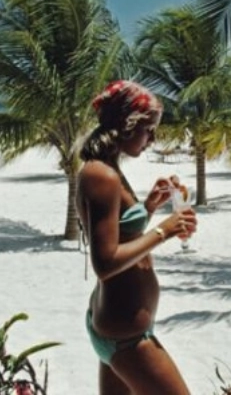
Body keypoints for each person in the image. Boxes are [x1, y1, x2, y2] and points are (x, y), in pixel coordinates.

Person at [76, 80, 196, 395]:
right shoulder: (102, 175)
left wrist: (149, 207)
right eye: (149, 129)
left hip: (119, 328)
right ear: (126, 125)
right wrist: (164, 231)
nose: (152, 138)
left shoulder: (107, 169)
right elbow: (105, 263)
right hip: (125, 335)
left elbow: (120, 233)